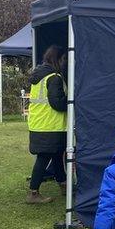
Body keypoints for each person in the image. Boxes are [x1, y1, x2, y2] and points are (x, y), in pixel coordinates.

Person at [26, 45, 67, 204]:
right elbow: (57, 103)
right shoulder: (54, 78)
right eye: (63, 59)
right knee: (43, 158)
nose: (64, 63)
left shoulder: (39, 76)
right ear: (57, 59)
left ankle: (63, 184)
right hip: (50, 125)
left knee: (56, 156)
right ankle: (33, 192)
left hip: (39, 123)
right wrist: (71, 100)